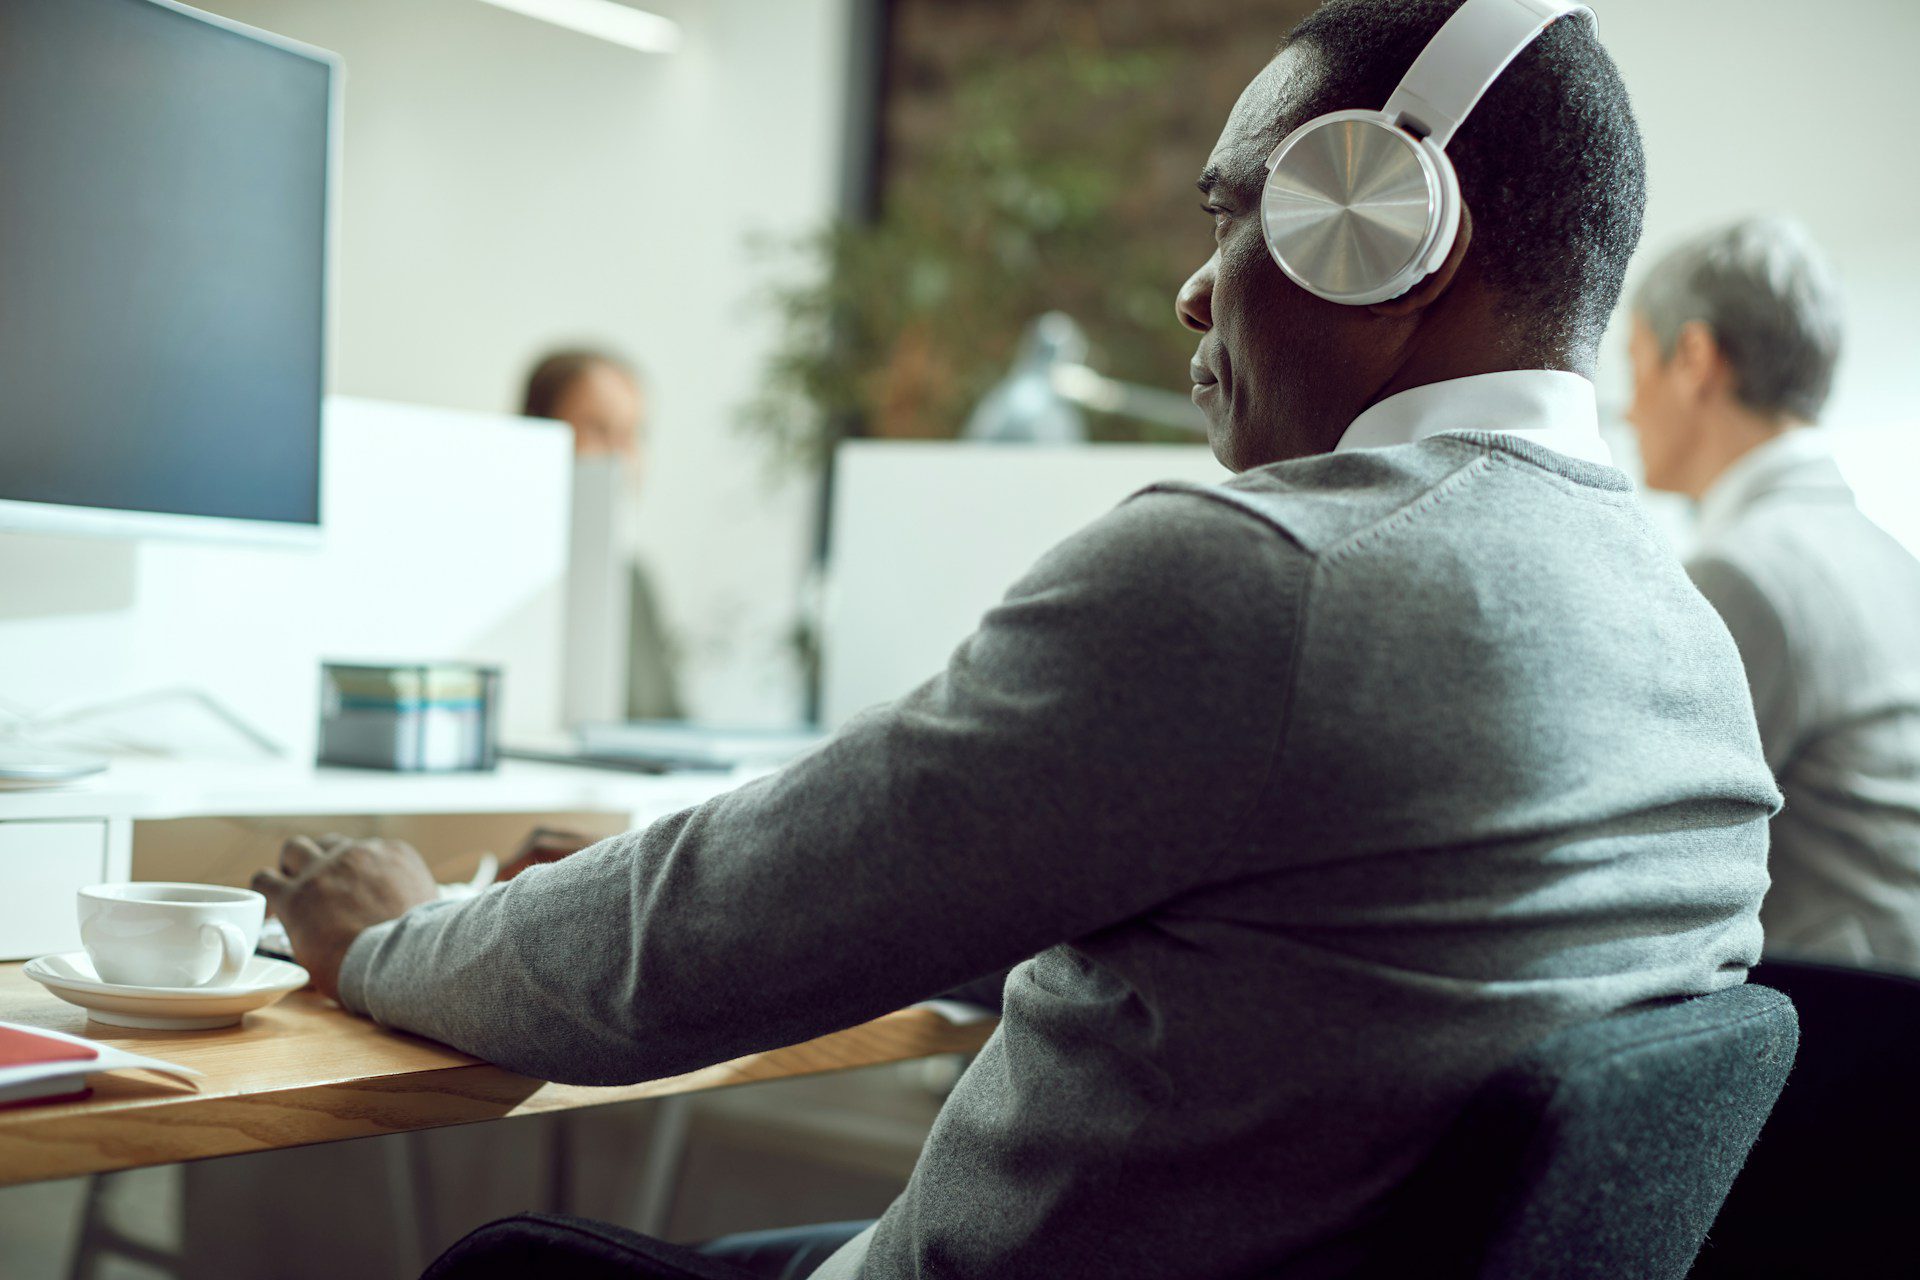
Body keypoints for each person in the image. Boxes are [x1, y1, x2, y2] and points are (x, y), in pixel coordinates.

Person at [257, 2, 1778, 1276]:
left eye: (1237, 212)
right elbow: (1337, 973)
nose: (1195, 292)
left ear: (1390, 230)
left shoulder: (1264, 577)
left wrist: (394, 934)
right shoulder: (1688, 644)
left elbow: (688, 960)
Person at [1627, 218, 1920, 969]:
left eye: (1633, 368)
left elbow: (1652, 852)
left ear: (1694, 358)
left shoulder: (1743, 575)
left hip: (1842, 1029)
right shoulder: (1888, 554)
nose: (1627, 411)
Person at [523, 349, 684, 722]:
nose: (621, 454)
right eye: (598, 429)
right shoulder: (508, 577)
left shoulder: (634, 581)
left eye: (632, 434)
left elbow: (671, 722)